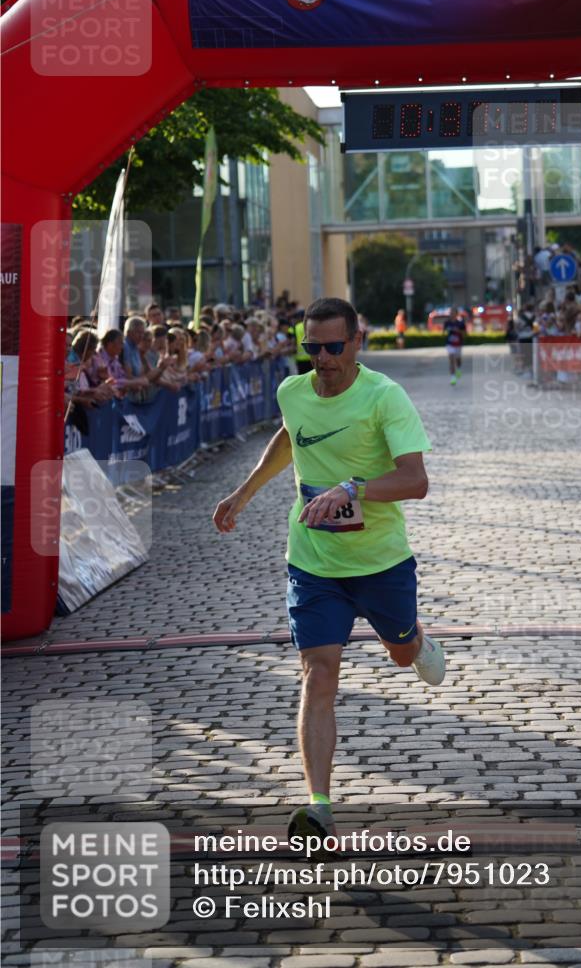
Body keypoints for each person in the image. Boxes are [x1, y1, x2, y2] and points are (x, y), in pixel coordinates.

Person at [212, 297, 445, 845]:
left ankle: (414, 639)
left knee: (401, 652)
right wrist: (243, 493)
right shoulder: (292, 392)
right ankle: (318, 808)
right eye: (312, 347)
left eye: (333, 347)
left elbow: (416, 481)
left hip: (381, 561)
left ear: (357, 342)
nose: (322, 358)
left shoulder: (385, 397)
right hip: (313, 561)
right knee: (319, 673)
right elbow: (292, 435)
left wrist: (353, 488)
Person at [444, 308, 466, 384]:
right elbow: (444, 333)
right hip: (449, 344)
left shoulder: (460, 323)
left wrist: (458, 331)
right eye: (451, 313)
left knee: (458, 360)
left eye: (453, 313)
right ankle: (453, 377)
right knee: (451, 359)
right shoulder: (447, 323)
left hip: (458, 344)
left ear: (456, 314)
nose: (452, 314)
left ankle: (459, 369)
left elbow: (464, 334)